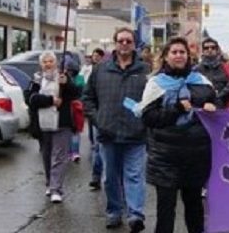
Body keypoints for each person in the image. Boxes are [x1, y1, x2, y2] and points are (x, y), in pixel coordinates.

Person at [138, 37, 218, 233]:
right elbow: (148, 117)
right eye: (174, 52)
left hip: (195, 155)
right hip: (165, 157)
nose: (179, 55)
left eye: (182, 52)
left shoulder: (202, 82)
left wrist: (214, 107)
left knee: (194, 208)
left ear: (188, 56)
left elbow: (218, 109)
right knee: (166, 210)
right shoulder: (155, 83)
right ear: (166, 57)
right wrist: (176, 109)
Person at [83, 28, 149, 232]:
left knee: (135, 176)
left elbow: (154, 101)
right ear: (115, 43)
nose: (124, 44)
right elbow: (87, 98)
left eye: (128, 41)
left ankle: (135, 215)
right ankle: (114, 212)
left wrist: (146, 122)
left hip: (136, 135)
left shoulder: (145, 71)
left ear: (134, 44)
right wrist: (98, 119)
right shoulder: (100, 69)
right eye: (121, 41)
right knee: (110, 177)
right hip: (108, 134)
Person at [28, 51, 81, 203]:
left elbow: (76, 93)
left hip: (62, 122)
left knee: (59, 156)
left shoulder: (63, 77)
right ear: (41, 64)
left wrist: (67, 84)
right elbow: (30, 98)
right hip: (43, 124)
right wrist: (50, 100)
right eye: (45, 62)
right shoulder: (37, 80)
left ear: (56, 63)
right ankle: (49, 182)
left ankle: (56, 188)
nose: (48, 64)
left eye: (51, 61)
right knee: (47, 155)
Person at [82, 48, 106, 191]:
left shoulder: (105, 71)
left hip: (108, 116)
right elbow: (88, 95)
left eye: (97, 56)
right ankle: (96, 177)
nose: (95, 58)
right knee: (98, 147)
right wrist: (94, 114)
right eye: (94, 56)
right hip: (98, 115)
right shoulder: (91, 71)